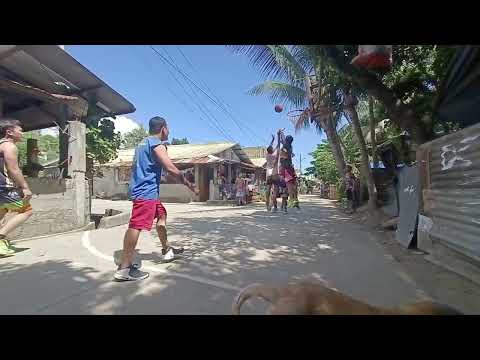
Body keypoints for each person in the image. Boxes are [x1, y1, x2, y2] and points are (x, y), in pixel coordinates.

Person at [114, 116, 197, 282]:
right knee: (136, 225)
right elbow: (170, 168)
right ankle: (124, 268)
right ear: (163, 128)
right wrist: (188, 184)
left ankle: (166, 249)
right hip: (146, 192)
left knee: (162, 215)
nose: (169, 131)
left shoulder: (142, 143)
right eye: (168, 128)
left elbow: (157, 170)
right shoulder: (156, 144)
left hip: (145, 190)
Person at [0, 119, 33, 257]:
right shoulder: (9, 146)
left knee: (1, 213)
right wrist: (25, 187)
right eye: (20, 130)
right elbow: (13, 169)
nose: (22, 133)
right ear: (9, 132)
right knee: (27, 210)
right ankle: (0, 239)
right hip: (4, 187)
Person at [279, 134, 299, 209]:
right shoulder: (289, 146)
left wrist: (281, 154)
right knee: (292, 185)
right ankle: (293, 200)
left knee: (289, 184)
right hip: (289, 167)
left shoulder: (285, 147)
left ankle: (291, 200)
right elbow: (283, 141)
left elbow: (285, 154)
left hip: (286, 167)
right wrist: (281, 134)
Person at [265, 130, 282, 212]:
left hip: (268, 174)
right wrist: (278, 136)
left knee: (268, 191)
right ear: (272, 150)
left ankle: (268, 206)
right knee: (275, 192)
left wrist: (272, 139)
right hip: (275, 174)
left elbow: (270, 146)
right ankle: (274, 207)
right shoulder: (276, 154)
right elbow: (278, 144)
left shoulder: (267, 155)